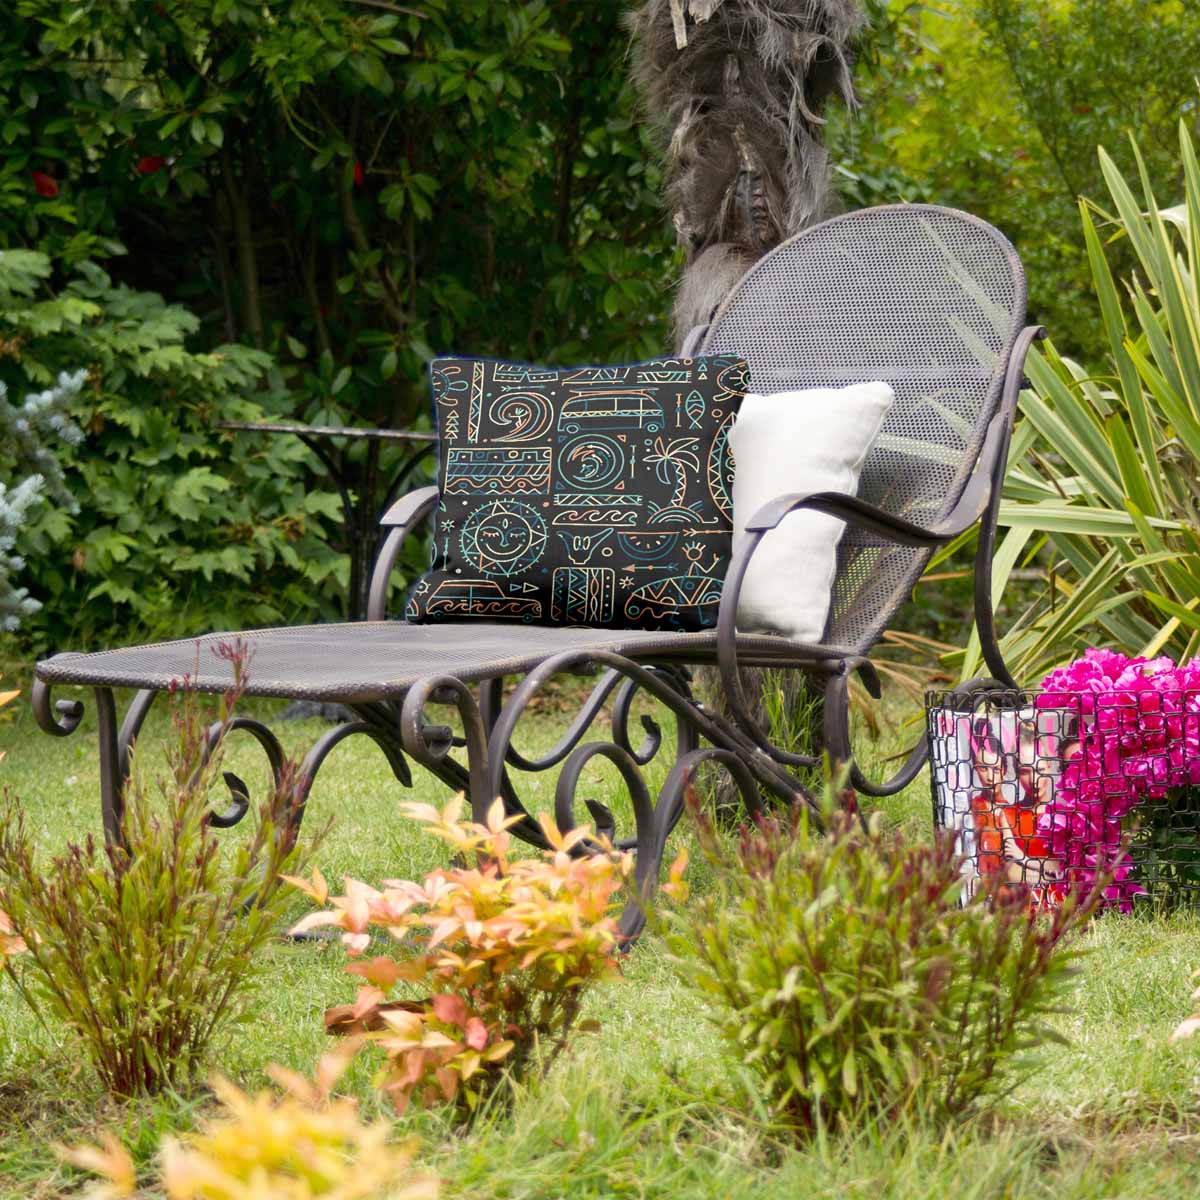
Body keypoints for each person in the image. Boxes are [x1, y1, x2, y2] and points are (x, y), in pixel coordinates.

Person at [967, 711, 1068, 905]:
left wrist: (1024, 858)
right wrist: (1045, 871)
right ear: (1014, 771)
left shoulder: (1063, 815)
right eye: (1025, 771)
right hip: (1020, 911)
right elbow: (1008, 873)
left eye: (1040, 769)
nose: (1034, 780)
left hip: (1061, 910)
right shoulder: (1006, 815)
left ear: (1049, 766)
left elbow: (1066, 870)